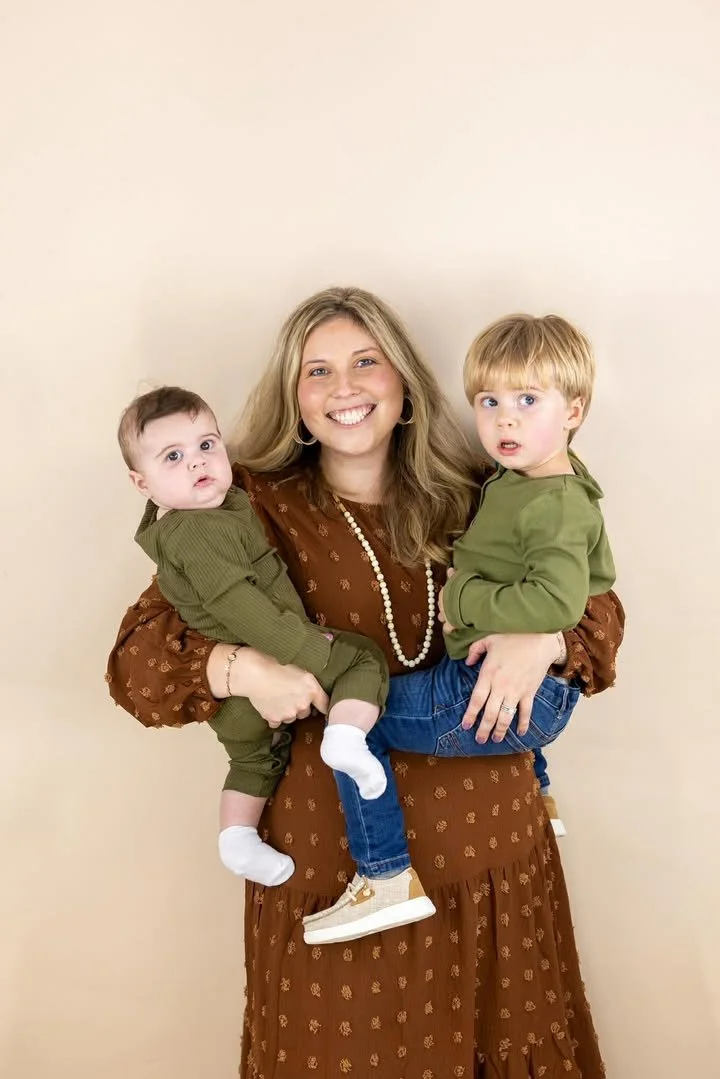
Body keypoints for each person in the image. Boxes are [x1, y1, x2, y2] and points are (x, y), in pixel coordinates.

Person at [107, 287, 624, 1079]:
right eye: (318, 370)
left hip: (493, 861)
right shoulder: (242, 508)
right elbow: (136, 664)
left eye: (364, 362)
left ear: (403, 380)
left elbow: (600, 612)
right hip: (336, 879)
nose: (343, 387)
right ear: (294, 394)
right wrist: (240, 667)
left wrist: (545, 640)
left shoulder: (484, 485)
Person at [301, 311, 617, 945]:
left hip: (499, 712)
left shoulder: (540, 495)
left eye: (366, 361)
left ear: (573, 410)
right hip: (496, 706)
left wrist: (474, 601)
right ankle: (543, 796)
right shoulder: (516, 480)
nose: (505, 418)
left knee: (353, 722)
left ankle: (384, 876)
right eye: (490, 401)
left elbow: (573, 601)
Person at [118, 385, 407, 891]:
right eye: (173, 457)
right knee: (361, 659)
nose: (197, 463)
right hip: (272, 665)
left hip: (246, 716)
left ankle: (237, 837)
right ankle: (346, 737)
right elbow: (235, 610)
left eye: (207, 445)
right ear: (142, 483)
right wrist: (287, 657)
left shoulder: (218, 510)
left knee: (253, 760)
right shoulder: (199, 528)